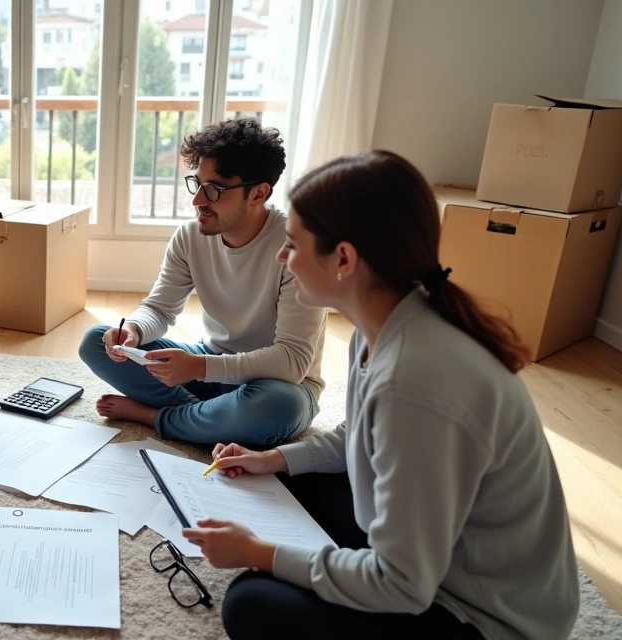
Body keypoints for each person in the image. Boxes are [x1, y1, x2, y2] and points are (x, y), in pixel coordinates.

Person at [182, 150, 578, 640]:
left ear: (343, 259)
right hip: (442, 557)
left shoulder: (415, 381)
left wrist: (259, 554)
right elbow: (361, 437)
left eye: (293, 245)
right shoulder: (384, 326)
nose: (282, 258)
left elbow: (403, 584)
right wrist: (272, 459)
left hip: (483, 615)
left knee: (251, 602)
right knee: (284, 487)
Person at [77, 118, 326, 447]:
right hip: (209, 362)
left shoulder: (297, 247)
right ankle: (207, 418)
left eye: (215, 189)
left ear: (258, 193)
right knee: (96, 342)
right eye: (197, 184)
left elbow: (293, 361)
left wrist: (199, 367)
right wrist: (133, 331)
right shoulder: (190, 236)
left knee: (277, 408)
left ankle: (156, 417)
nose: (197, 200)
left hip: (276, 383)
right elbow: (159, 309)